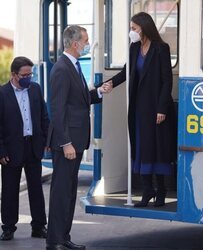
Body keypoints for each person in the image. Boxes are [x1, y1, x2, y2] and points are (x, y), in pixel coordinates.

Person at [46, 25, 112, 250]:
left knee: (69, 192)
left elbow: (79, 100)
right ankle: (54, 241)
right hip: (68, 143)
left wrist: (99, 92)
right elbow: (57, 109)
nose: (87, 44)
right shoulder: (62, 69)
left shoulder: (72, 66)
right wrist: (65, 143)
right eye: (85, 41)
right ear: (75, 44)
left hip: (76, 141)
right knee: (61, 193)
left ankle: (63, 237)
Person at [106, 12, 176, 208]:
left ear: (144, 28)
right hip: (139, 108)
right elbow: (125, 73)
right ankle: (147, 190)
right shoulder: (134, 47)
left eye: (134, 28)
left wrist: (162, 108)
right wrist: (106, 84)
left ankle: (161, 190)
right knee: (141, 147)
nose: (131, 32)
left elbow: (166, 80)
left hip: (157, 107)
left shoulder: (161, 49)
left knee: (158, 148)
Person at [0, 56, 49, 240]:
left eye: (31, 73)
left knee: (36, 188)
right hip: (11, 150)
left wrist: (46, 140)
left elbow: (44, 115)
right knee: (10, 189)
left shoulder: (35, 89)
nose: (29, 77)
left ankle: (38, 226)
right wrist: (1, 151)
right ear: (14, 75)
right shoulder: (2, 93)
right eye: (25, 74)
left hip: (33, 146)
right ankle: (8, 227)